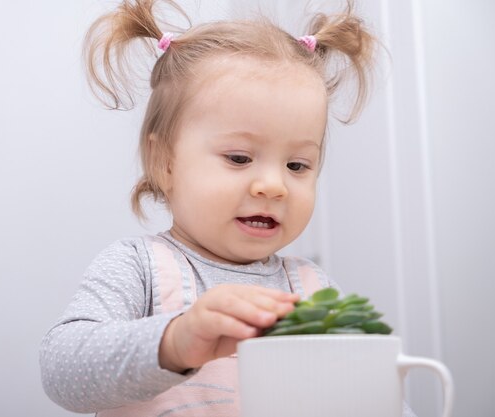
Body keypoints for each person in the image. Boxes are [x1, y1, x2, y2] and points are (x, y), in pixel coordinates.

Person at [40, 0, 415, 415]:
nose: (274, 186)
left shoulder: (312, 289)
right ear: (165, 162)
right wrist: (176, 340)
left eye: (297, 165)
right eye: (239, 158)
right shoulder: (136, 266)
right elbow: (63, 372)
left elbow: (367, 396)